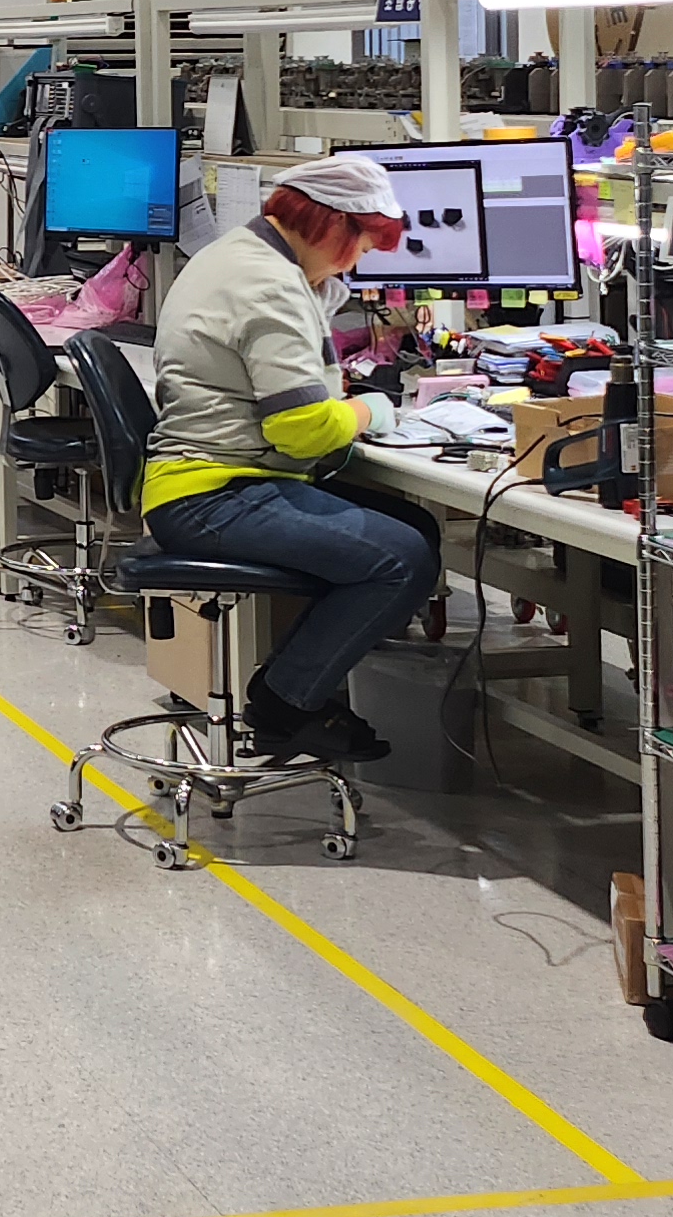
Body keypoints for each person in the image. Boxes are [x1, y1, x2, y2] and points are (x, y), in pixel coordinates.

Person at [140, 151, 445, 766]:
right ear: (331, 225)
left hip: (209, 478)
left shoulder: (239, 254)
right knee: (402, 558)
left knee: (415, 525)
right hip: (211, 495)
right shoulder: (269, 285)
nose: (356, 263)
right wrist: (371, 411)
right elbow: (303, 431)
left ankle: (299, 682)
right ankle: (285, 704)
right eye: (360, 246)